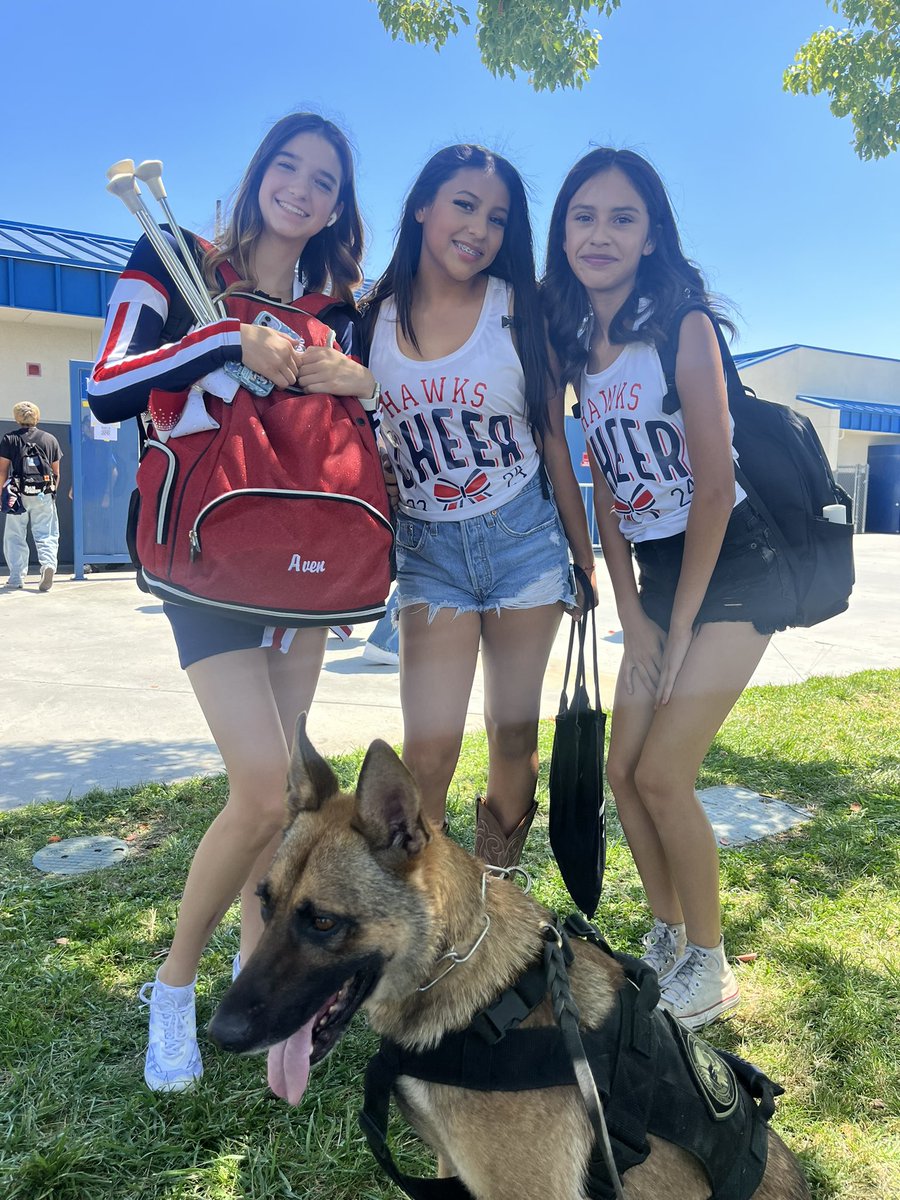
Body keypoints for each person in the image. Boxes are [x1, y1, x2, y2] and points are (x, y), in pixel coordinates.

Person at [88, 113, 381, 1091]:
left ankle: (254, 1000)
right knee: (263, 785)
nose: (302, 187)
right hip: (203, 549)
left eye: (324, 180)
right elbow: (108, 386)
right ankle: (172, 990)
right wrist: (225, 337)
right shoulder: (176, 258)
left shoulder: (332, 309)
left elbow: (342, 449)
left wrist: (358, 382)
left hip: (297, 567)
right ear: (259, 173)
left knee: (281, 804)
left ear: (339, 206)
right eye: (288, 166)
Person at [543, 148, 793, 1030]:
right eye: (584, 216)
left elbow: (716, 489)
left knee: (663, 773)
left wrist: (678, 628)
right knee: (620, 772)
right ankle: (666, 936)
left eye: (621, 218)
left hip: (733, 569)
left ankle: (713, 967)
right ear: (563, 232)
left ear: (651, 236)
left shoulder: (682, 327)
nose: (599, 234)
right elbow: (610, 488)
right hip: (656, 580)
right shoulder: (581, 347)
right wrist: (633, 616)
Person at [364, 144, 595, 867]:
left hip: (523, 540)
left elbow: (556, 440)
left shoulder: (518, 308)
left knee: (513, 736)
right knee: (427, 753)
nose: (480, 229)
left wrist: (582, 562)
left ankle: (493, 905)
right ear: (422, 206)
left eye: (498, 218)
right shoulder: (369, 318)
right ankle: (420, 914)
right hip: (429, 553)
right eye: (464, 204)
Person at [0, 401, 61, 591]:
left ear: (17, 418)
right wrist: (51, 494)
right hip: (44, 493)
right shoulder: (50, 439)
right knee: (47, 533)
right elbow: (56, 473)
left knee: (15, 535)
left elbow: (2, 471)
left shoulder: (9, 439)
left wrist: (2, 493)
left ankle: (16, 577)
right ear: (37, 416)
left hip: (17, 494)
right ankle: (48, 565)